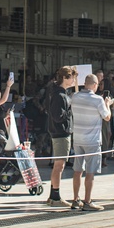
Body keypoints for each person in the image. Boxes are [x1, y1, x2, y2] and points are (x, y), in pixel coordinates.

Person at [70, 74, 112, 211]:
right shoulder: (98, 99)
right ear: (95, 85)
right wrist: (107, 105)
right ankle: (87, 201)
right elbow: (107, 117)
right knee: (90, 172)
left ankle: (76, 199)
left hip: (78, 138)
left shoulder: (74, 97)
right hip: (92, 141)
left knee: (77, 170)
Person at [45, 66, 76, 207]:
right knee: (59, 165)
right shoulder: (60, 95)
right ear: (65, 78)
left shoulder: (60, 93)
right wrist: (70, 110)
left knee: (59, 165)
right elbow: (58, 116)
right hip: (61, 133)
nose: (74, 80)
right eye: (72, 77)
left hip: (60, 132)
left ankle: (53, 195)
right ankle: (56, 196)